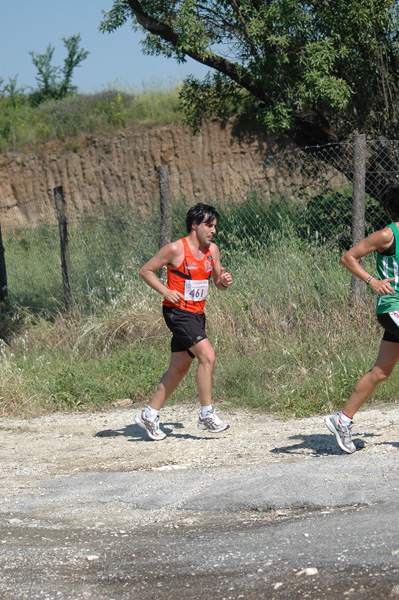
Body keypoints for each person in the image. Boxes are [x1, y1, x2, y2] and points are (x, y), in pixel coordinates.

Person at [135, 202, 233, 441]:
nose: (213, 231)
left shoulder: (213, 250)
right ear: (194, 225)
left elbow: (217, 282)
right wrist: (165, 291)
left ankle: (149, 414)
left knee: (179, 368)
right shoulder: (175, 249)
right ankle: (206, 414)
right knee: (207, 356)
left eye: (215, 227)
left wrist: (224, 281)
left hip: (197, 314)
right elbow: (146, 270)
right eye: (209, 226)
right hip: (178, 312)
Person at [325, 182, 399, 453]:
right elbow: (348, 257)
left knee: (381, 371)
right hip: (392, 306)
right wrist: (372, 280)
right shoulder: (386, 235)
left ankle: (341, 419)